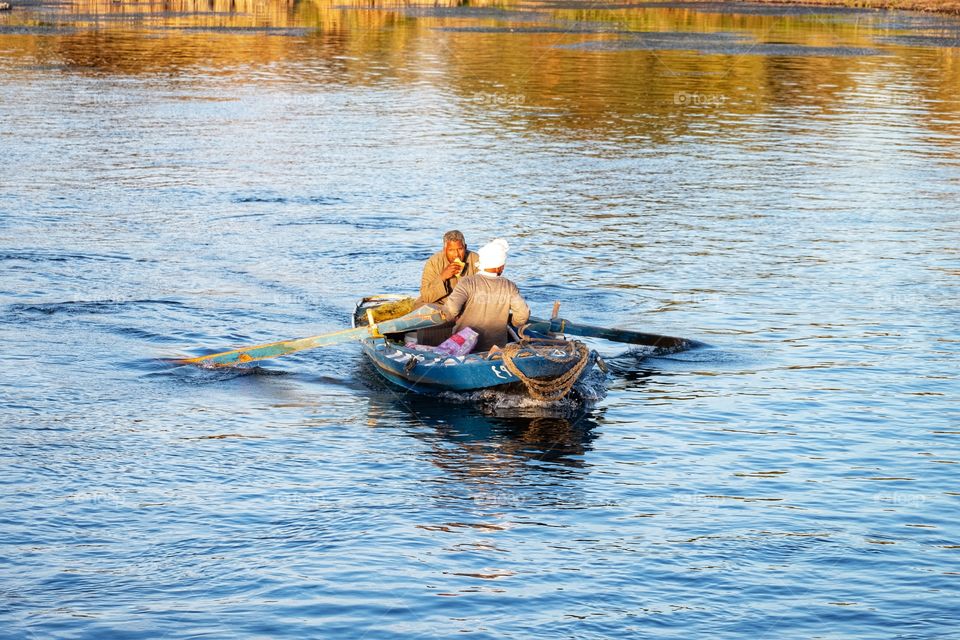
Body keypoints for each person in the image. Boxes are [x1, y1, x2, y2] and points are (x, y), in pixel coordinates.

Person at [443, 238, 530, 353]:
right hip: (496, 349)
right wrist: (512, 323)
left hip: (464, 348)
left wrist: (453, 317)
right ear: (500, 267)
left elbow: (451, 310)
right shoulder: (509, 286)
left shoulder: (467, 282)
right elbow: (523, 315)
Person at [418, 230, 479, 305]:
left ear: (465, 247)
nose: (456, 254)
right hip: (441, 304)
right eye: (451, 250)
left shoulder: (476, 260)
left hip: (469, 304)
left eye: (460, 249)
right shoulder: (434, 262)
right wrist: (443, 277)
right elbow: (426, 297)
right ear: (444, 250)